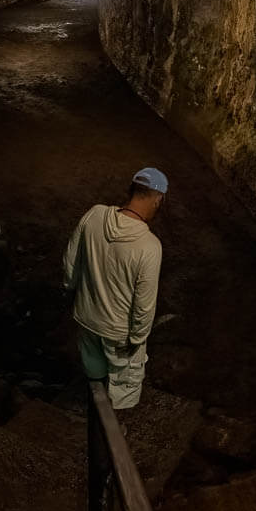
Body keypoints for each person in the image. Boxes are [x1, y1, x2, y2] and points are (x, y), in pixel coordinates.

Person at [62, 167, 167, 409]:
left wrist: (71, 291)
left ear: (131, 190)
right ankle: (112, 430)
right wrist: (138, 338)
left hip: (86, 318)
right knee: (123, 389)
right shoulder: (149, 246)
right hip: (119, 333)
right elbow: (144, 303)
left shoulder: (95, 215)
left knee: (94, 373)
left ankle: (95, 411)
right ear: (158, 199)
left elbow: (70, 263)